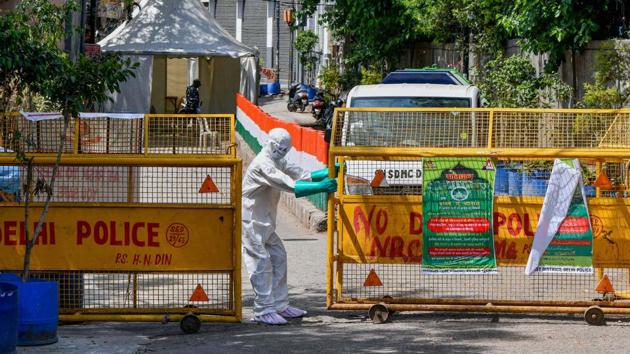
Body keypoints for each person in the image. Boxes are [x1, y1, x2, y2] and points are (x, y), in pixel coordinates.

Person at [242, 128, 338, 325]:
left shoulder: (277, 160)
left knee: (278, 257)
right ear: (271, 144)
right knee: (260, 263)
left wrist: (332, 170)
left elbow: (302, 175)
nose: (283, 152)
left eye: (286, 149)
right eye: (281, 148)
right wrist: (323, 186)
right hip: (252, 222)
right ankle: (263, 309)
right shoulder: (263, 165)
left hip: (266, 222)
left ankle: (279, 304)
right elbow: (291, 186)